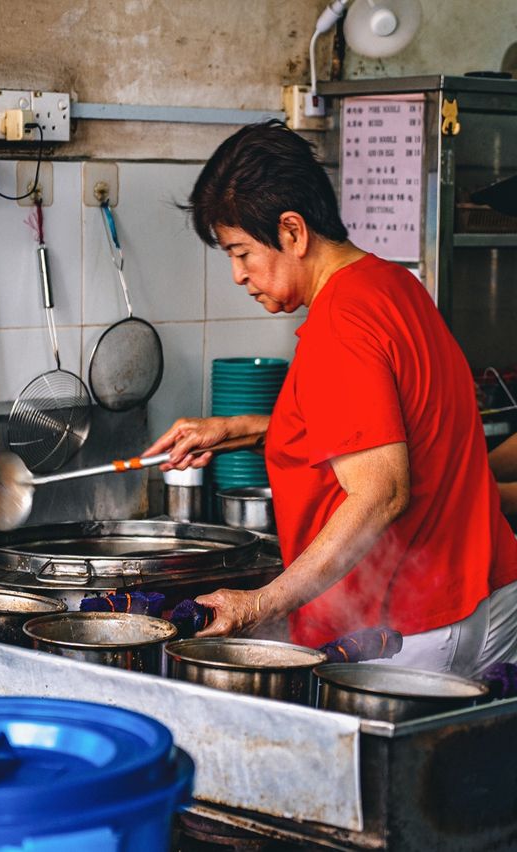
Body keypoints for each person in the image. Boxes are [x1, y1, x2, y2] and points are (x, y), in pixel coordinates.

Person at [144, 120, 517, 677]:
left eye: (242, 252)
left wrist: (258, 603)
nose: (238, 275)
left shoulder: (339, 326)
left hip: (405, 627)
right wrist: (240, 429)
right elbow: (379, 424)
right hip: (487, 597)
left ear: (292, 231)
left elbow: (379, 494)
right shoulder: (391, 284)